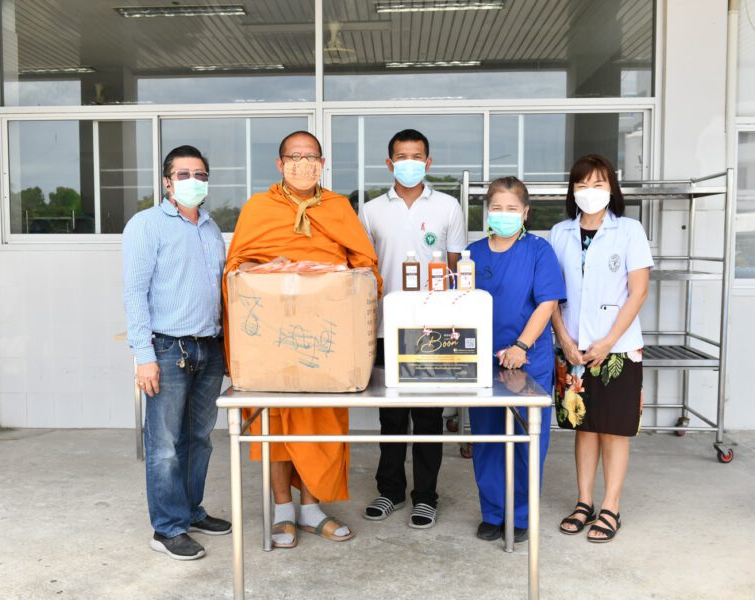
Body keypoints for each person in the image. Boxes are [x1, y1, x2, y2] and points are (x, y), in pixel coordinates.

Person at [222, 130, 382, 548]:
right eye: (294, 157)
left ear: (322, 163)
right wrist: (280, 272)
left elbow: (364, 266)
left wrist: (326, 280)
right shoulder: (259, 208)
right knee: (276, 424)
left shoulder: (338, 207)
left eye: (311, 157)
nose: (303, 164)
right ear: (279, 164)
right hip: (271, 337)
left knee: (322, 425)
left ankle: (311, 509)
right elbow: (237, 267)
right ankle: (282, 511)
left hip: (326, 339)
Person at [123, 145, 230, 561]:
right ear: (167, 182)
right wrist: (142, 355)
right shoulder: (146, 225)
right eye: (182, 175)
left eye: (199, 174)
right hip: (167, 349)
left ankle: (190, 510)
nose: (192, 181)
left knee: (199, 439)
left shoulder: (209, 227)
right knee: (165, 444)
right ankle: (166, 529)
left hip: (209, 347)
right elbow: (134, 293)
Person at [358, 128, 467, 528]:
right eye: (401, 156)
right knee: (390, 417)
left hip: (432, 328)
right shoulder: (370, 210)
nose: (409, 162)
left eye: (417, 156)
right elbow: (364, 270)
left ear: (428, 162)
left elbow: (456, 268)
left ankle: (425, 496)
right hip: (386, 326)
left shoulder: (448, 207)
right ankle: (389, 492)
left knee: (427, 416)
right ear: (389, 164)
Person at [550, 154, 652, 543]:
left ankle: (610, 506)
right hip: (572, 347)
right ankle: (583, 501)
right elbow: (551, 295)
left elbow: (638, 291)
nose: (590, 192)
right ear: (572, 190)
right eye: (582, 184)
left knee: (614, 429)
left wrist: (607, 342)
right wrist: (564, 339)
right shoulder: (559, 232)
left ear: (612, 188)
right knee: (584, 427)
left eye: (598, 184)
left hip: (620, 349)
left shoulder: (629, 230)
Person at [467, 176, 566, 543]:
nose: (504, 215)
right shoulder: (472, 253)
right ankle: (493, 512)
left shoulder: (539, 251)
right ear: (487, 212)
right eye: (497, 208)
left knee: (528, 442)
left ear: (525, 212)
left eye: (512, 209)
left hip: (527, 361)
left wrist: (521, 347)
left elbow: (547, 302)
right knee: (488, 440)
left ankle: (522, 515)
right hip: (482, 362)